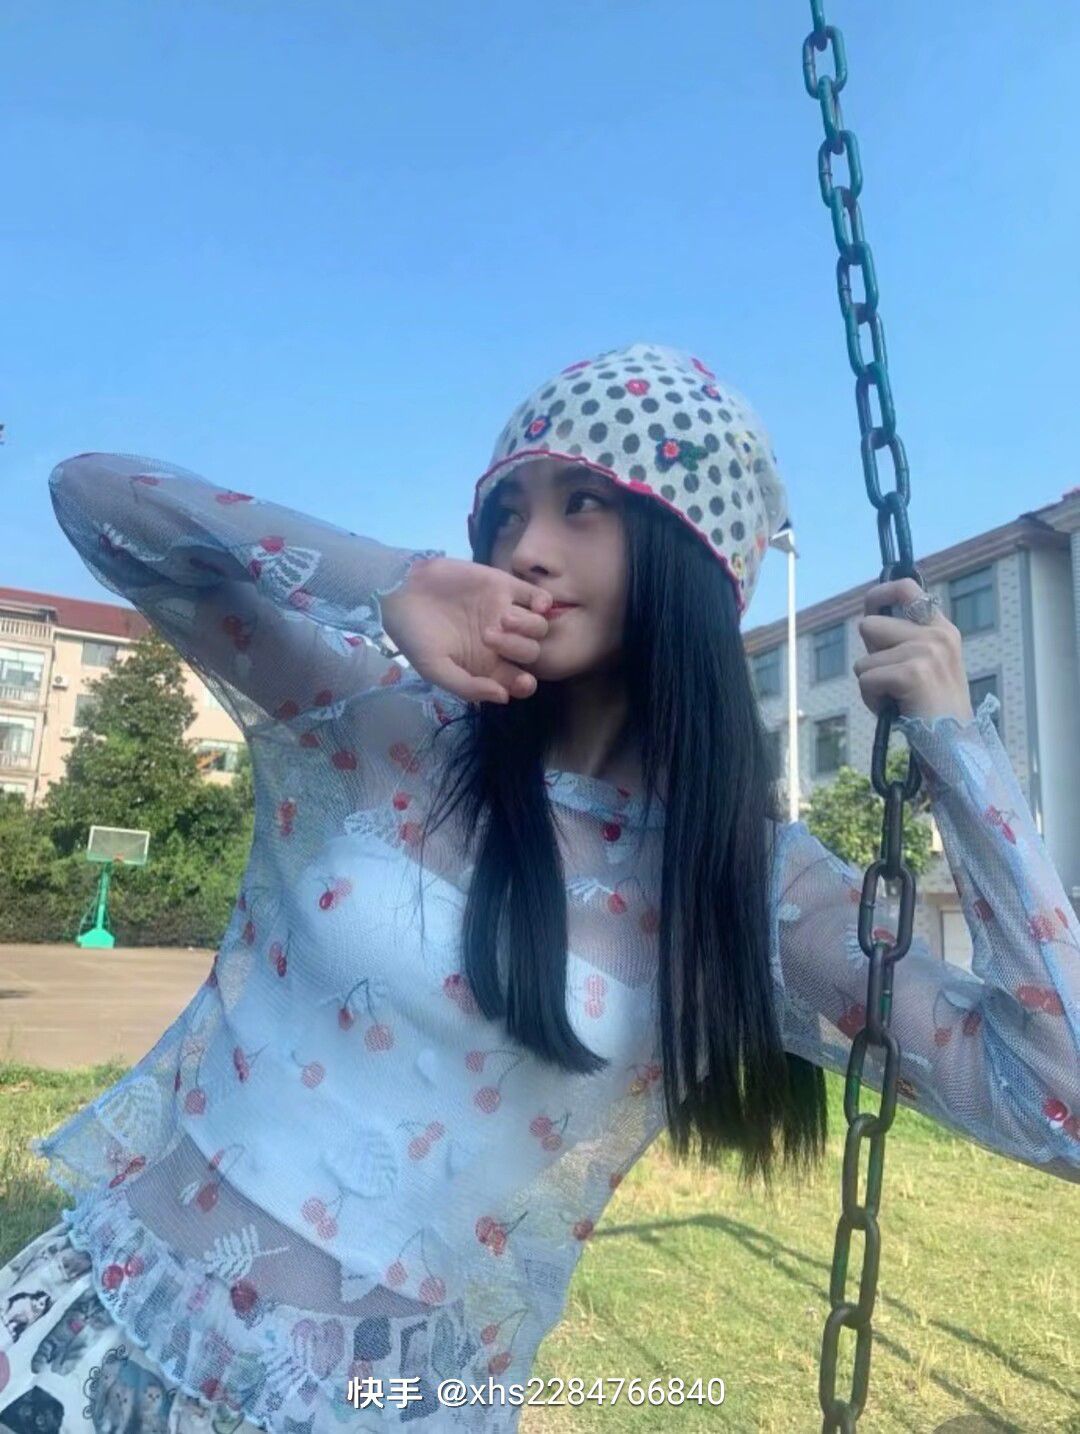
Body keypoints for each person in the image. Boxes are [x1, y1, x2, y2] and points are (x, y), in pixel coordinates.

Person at [2, 341, 1076, 1434]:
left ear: (689, 552)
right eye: (505, 513)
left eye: (582, 505)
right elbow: (95, 500)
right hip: (89, 1332)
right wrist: (390, 582)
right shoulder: (386, 721)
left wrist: (958, 751)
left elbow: (1060, 1101)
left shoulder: (744, 885)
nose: (526, 548)